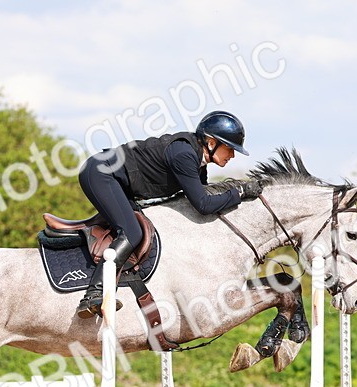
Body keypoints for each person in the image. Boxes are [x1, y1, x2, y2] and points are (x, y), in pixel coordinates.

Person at [74, 110, 263, 318]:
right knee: (132, 232)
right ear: (211, 142)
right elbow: (203, 204)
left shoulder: (197, 164)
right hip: (101, 173)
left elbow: (201, 200)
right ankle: (93, 294)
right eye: (230, 148)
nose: (232, 156)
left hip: (117, 182)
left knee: (147, 230)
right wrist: (241, 192)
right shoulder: (184, 154)